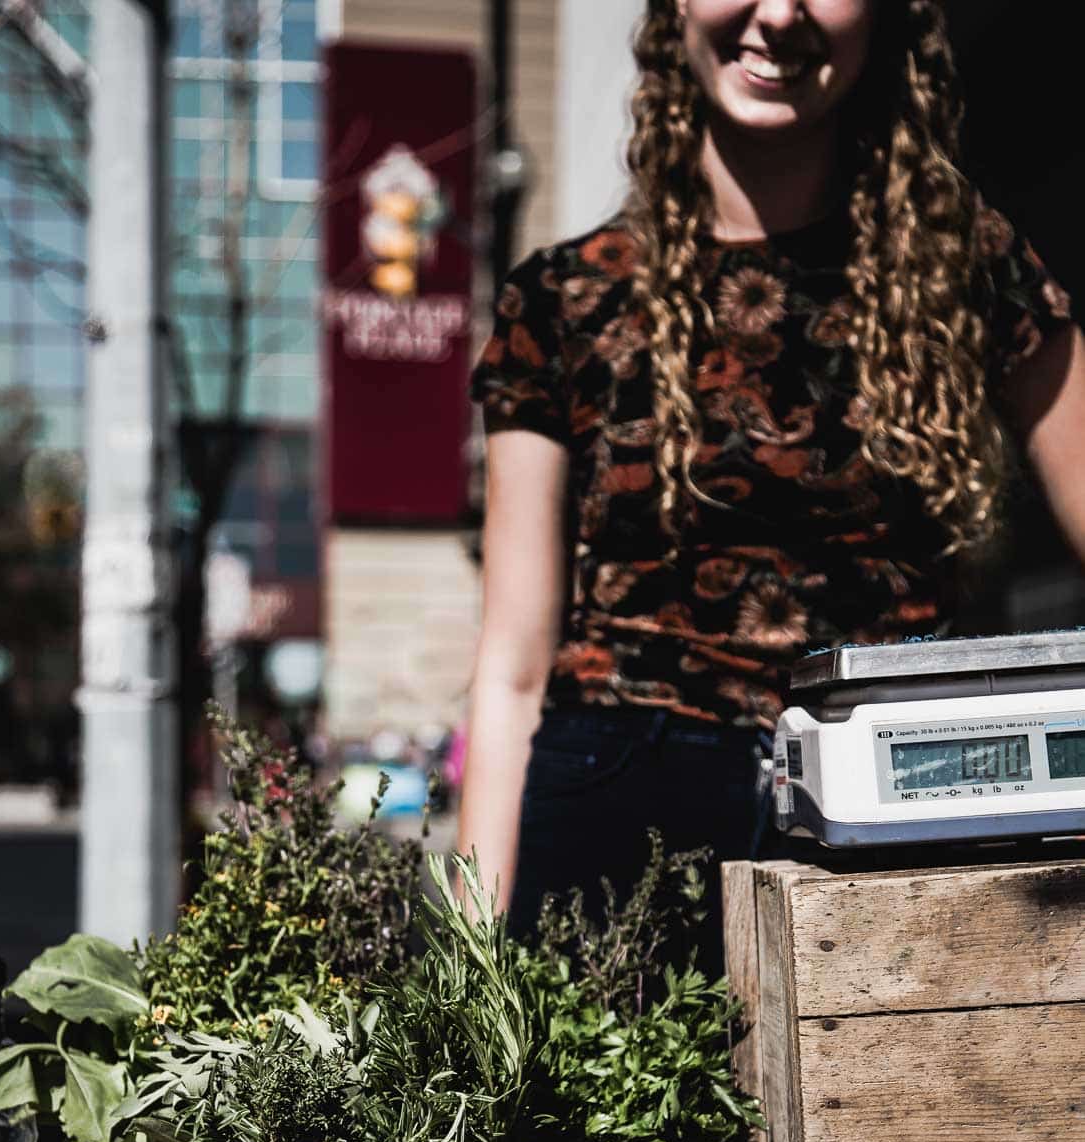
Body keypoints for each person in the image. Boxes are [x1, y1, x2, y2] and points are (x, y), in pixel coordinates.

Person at [458, 0, 1085, 974]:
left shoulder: (970, 267)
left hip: (891, 813)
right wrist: (471, 971)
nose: (779, 14)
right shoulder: (558, 302)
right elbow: (509, 670)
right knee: (606, 1127)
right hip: (616, 812)